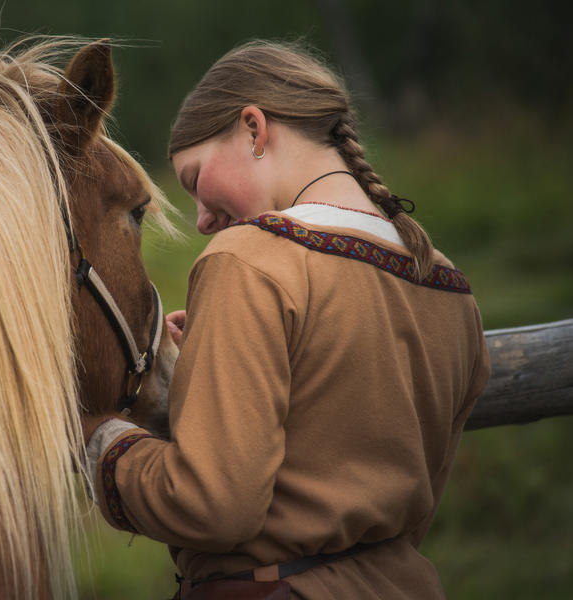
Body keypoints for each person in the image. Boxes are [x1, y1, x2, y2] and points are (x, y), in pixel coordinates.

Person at [81, 40, 491, 599]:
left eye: (195, 180)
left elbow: (211, 504)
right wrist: (219, 367)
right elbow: (400, 497)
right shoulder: (448, 287)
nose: (202, 220)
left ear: (254, 129)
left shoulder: (248, 259)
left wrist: (102, 440)